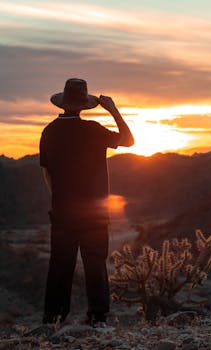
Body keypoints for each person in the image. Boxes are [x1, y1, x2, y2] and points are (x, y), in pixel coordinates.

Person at [39, 78, 134, 326]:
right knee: (95, 264)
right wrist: (113, 110)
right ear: (84, 104)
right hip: (94, 213)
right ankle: (98, 317)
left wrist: (59, 198)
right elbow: (128, 140)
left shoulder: (49, 132)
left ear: (62, 103)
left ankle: (53, 317)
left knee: (60, 264)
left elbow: (47, 172)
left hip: (62, 212)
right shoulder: (93, 130)